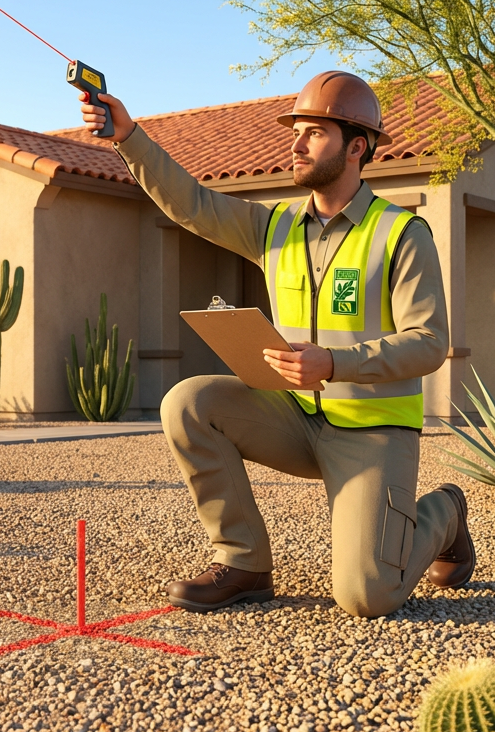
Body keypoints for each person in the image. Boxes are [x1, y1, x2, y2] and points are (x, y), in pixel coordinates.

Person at [76, 70, 474, 618]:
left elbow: (429, 343)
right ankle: (243, 561)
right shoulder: (274, 227)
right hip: (294, 418)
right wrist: (129, 137)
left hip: (373, 432)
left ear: (356, 147)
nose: (297, 144)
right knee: (188, 402)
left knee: (367, 596)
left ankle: (445, 512)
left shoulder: (402, 233)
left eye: (315, 133)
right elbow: (192, 204)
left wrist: (333, 363)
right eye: (297, 132)